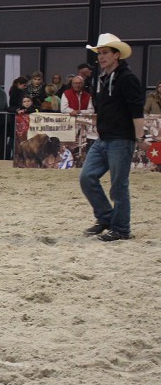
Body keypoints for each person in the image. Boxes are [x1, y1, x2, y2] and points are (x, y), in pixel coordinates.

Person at [79, 34, 145, 242]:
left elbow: (136, 109)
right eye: (99, 53)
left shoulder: (127, 79)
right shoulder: (102, 79)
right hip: (104, 138)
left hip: (122, 139)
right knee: (87, 177)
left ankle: (121, 229)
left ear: (117, 55)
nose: (101, 57)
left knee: (118, 185)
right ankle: (106, 217)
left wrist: (139, 136)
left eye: (105, 52)